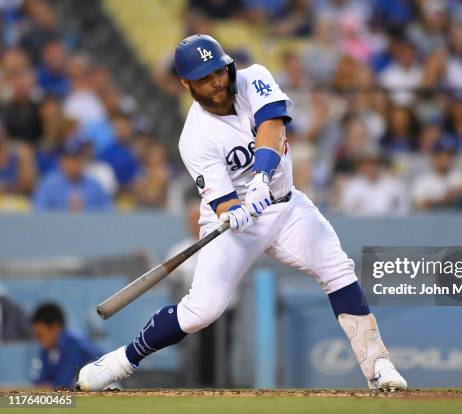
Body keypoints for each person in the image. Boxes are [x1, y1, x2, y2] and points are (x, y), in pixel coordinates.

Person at [77, 34, 407, 391]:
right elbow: (223, 201)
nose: (217, 82)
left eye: (219, 71)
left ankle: (379, 367)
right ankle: (118, 363)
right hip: (235, 225)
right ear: (186, 83)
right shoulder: (194, 138)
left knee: (338, 270)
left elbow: (272, 124)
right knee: (201, 312)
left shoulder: (254, 78)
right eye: (204, 78)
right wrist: (234, 211)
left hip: (287, 204)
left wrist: (261, 179)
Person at [30, 303, 102, 389]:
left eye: (41, 334)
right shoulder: (45, 351)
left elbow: (64, 384)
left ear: (54, 328)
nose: (39, 340)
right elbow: (40, 382)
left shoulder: (76, 345)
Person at [33, 139, 112, 211]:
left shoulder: (95, 185)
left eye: (76, 159)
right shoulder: (48, 185)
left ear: (83, 160)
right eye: (68, 159)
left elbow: (108, 212)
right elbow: (39, 211)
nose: (72, 164)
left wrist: (84, 210)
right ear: (60, 161)